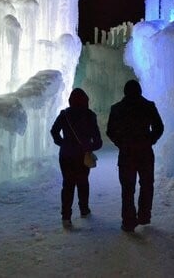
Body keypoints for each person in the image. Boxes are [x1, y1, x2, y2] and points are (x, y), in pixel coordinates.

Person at [106, 79, 164, 232]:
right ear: (140, 90)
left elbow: (110, 131)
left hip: (126, 154)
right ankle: (144, 216)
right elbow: (159, 127)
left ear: (125, 92)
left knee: (127, 188)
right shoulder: (148, 106)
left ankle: (128, 221)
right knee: (146, 185)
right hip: (145, 152)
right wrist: (150, 140)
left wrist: (121, 143)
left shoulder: (117, 108)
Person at [51, 88, 103, 228]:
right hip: (82, 155)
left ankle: (66, 217)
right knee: (83, 182)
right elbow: (98, 141)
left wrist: (62, 143)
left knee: (67, 185)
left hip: (66, 155)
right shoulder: (89, 115)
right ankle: (84, 210)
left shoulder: (64, 114)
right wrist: (89, 147)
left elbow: (54, 131)